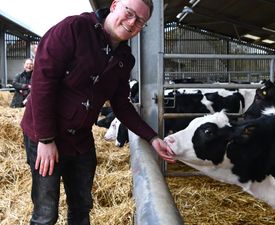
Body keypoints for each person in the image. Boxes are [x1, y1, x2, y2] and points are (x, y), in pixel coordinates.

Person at [20, 0, 176, 224]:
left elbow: (121, 105)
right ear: (114, 6)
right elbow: (43, 82)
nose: (132, 22)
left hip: (80, 140)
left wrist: (152, 137)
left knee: (82, 207)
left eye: (140, 21)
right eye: (129, 12)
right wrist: (45, 139)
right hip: (45, 135)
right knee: (46, 213)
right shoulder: (74, 28)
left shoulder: (124, 59)